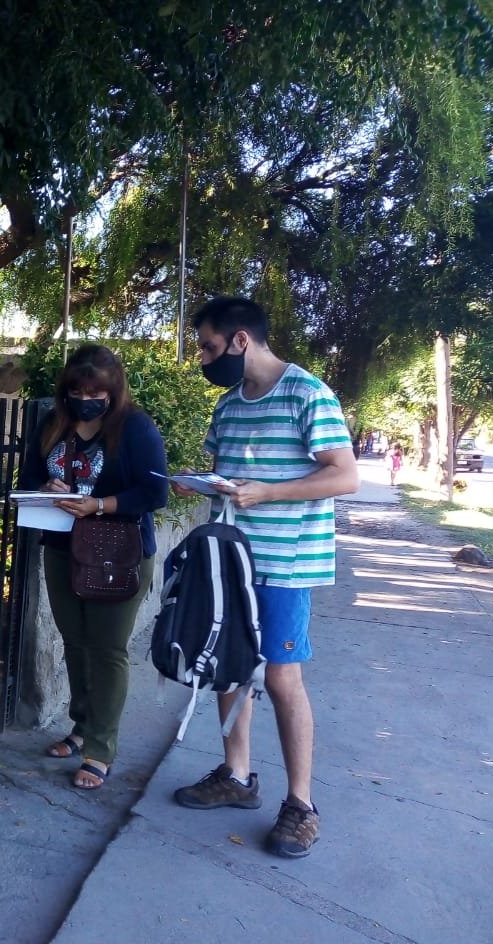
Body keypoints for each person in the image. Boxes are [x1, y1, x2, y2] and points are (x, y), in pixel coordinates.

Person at [171, 295, 358, 858]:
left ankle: (302, 805)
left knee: (281, 679)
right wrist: (201, 483)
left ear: (241, 340)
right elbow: (228, 473)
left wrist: (268, 492)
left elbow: (345, 476)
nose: (202, 357)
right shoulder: (227, 407)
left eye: (207, 345)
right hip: (230, 563)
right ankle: (237, 776)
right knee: (229, 668)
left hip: (286, 563)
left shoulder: (308, 393)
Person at [19, 344, 168, 790]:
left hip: (118, 552)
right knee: (75, 643)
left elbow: (154, 493)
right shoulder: (52, 424)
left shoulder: (134, 428)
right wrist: (47, 485)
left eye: (96, 391)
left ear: (113, 390)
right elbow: (27, 479)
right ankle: (82, 726)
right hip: (61, 547)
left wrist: (99, 504)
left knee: (107, 649)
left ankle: (100, 749)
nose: (87, 397)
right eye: (79, 389)